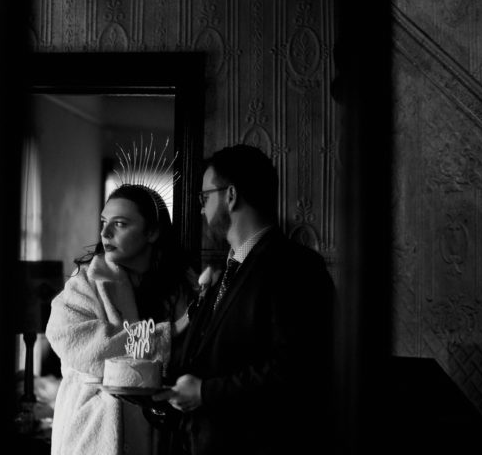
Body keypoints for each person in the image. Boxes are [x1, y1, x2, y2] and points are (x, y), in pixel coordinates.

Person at [153, 144, 336, 454]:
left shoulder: (296, 267)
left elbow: (298, 368)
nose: (201, 210)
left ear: (231, 195)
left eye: (204, 198)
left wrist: (205, 392)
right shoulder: (226, 271)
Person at [45, 179, 197, 455]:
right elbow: (85, 348)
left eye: (120, 224)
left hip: (161, 434)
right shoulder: (85, 285)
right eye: (104, 222)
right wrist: (171, 332)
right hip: (93, 434)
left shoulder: (183, 288)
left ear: (152, 232)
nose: (105, 232)